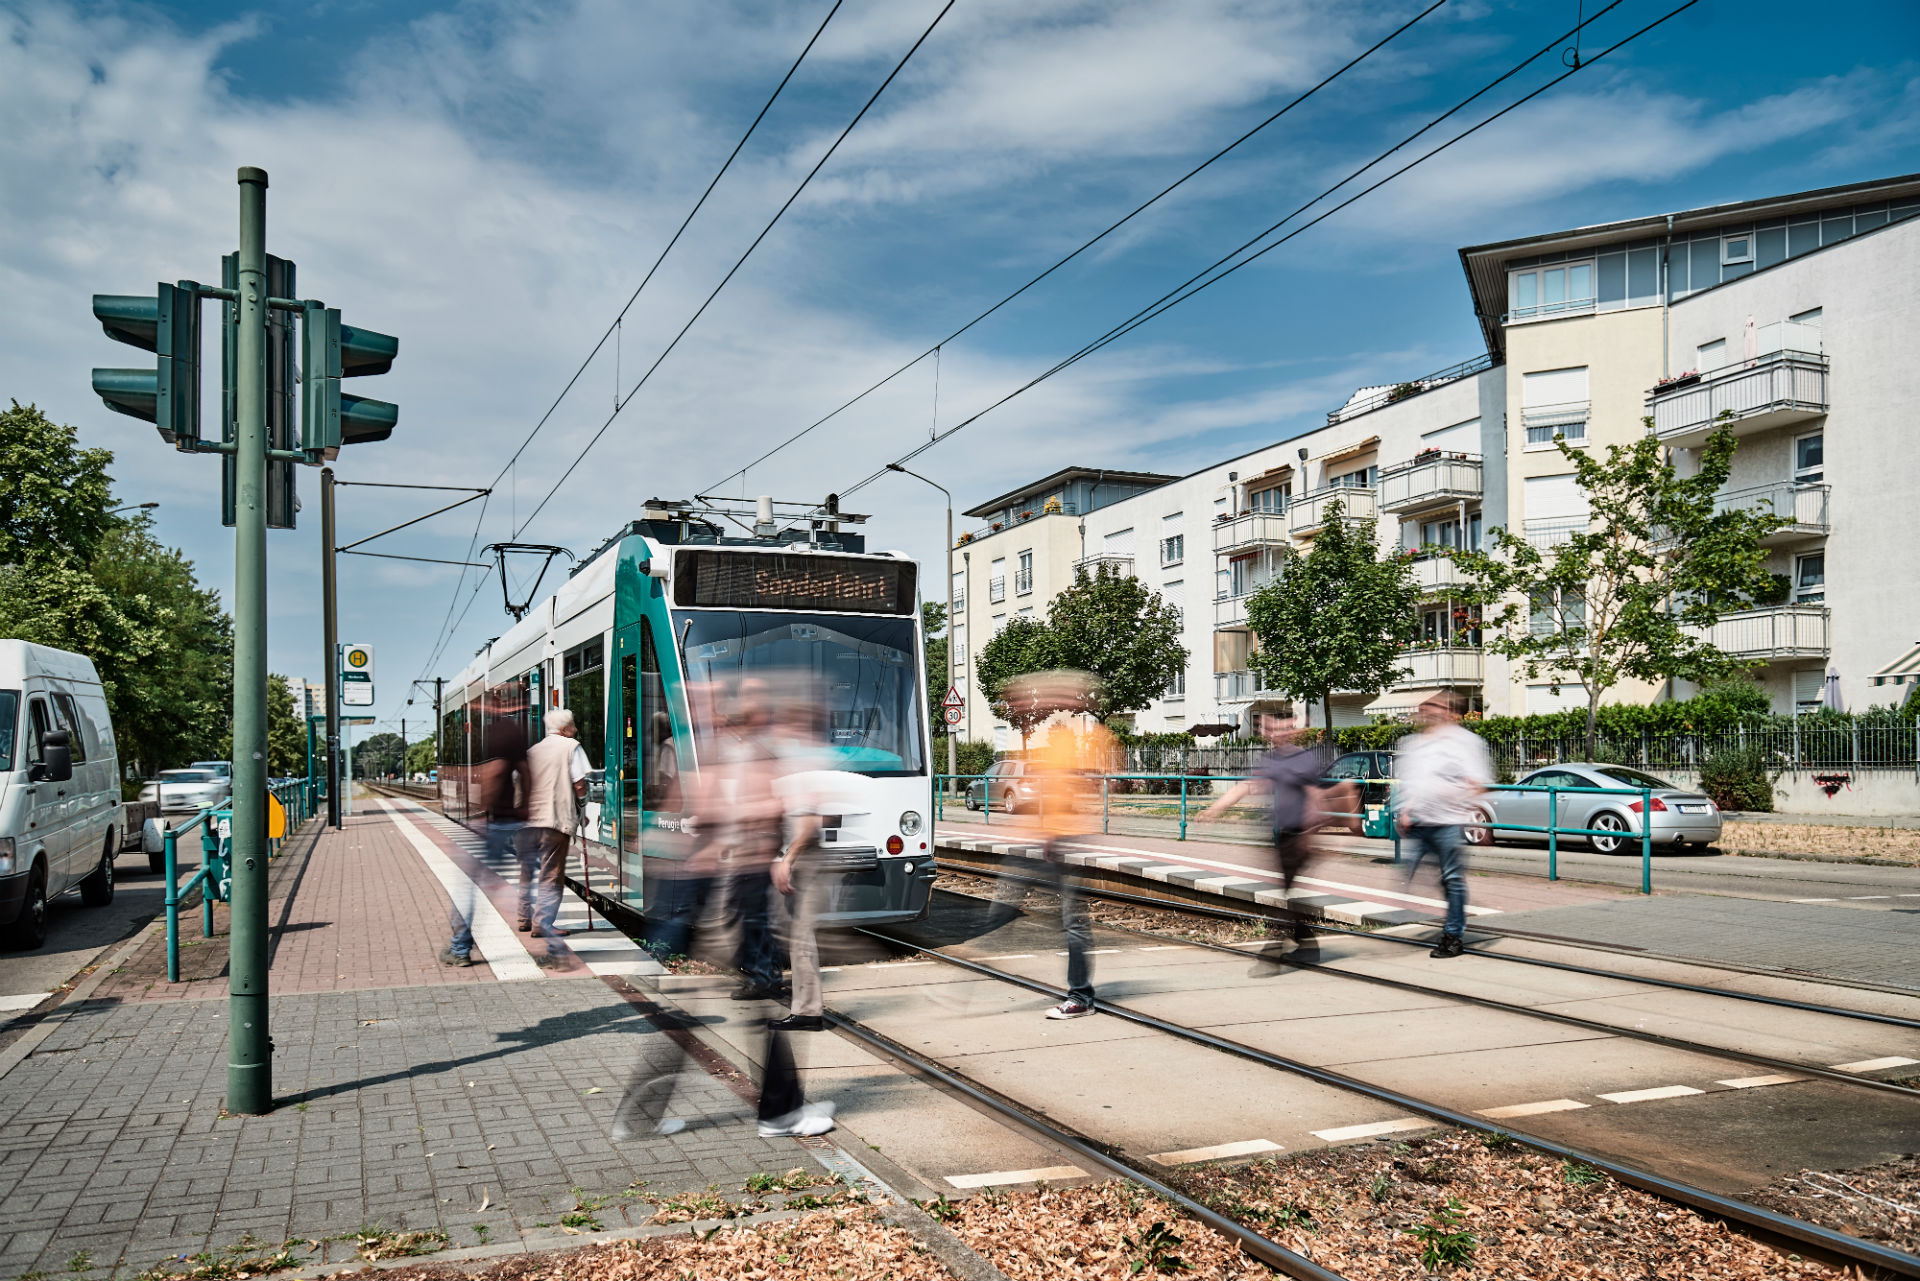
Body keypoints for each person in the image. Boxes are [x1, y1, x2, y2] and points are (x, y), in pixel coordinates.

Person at [1198, 710, 1352, 969]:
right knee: (1288, 890)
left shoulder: (1304, 760)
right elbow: (1246, 786)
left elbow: (1316, 797)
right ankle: (1306, 942)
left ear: (1292, 730)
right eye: (1271, 729)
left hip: (1300, 835)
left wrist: (1311, 833)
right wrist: (1216, 808)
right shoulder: (1269, 760)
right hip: (1280, 835)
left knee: (1288, 890)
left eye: (1281, 729)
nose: (1275, 734)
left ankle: (1273, 950)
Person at [1012, 670, 1119, 1020]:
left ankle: (1081, 998)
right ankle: (1079, 993)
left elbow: (1096, 781)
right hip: (1055, 842)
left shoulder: (1086, 737)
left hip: (1069, 843)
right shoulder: (1057, 736)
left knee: (1073, 922)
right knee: (1062, 919)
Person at [1396, 691, 1492, 958]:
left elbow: (1479, 784)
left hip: (1449, 821)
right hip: (1420, 822)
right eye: (1425, 706)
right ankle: (1453, 913)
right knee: (1414, 876)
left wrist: (1463, 801)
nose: (1426, 710)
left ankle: (1452, 936)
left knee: (1451, 880)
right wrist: (1406, 808)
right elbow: (1418, 781)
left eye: (1434, 705)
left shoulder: (1466, 742)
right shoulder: (1416, 743)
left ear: (1451, 712)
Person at [443, 692, 527, 967]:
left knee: (467, 888)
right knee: (521, 881)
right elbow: (526, 773)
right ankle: (554, 945)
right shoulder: (516, 730)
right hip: (511, 821)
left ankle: (459, 949)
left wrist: (481, 817)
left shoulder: (492, 733)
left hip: (490, 823)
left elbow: (495, 773)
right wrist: (525, 809)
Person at [523, 707, 591, 962]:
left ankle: (524, 918)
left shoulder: (533, 750)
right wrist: (582, 805)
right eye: (573, 725)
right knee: (551, 873)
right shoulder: (571, 746)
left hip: (530, 820)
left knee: (530, 871)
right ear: (565, 729)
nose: (575, 729)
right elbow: (579, 784)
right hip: (554, 819)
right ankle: (543, 923)